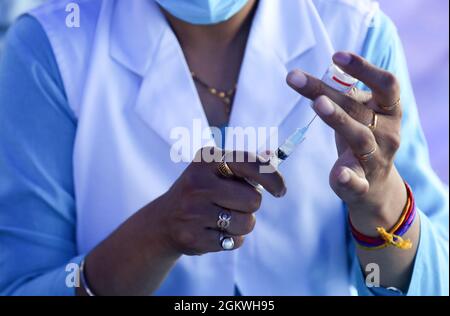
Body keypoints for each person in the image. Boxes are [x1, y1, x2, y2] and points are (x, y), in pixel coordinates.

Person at [0, 0, 448, 296]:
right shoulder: (52, 48)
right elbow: (23, 283)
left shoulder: (357, 33)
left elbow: (433, 281)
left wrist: (382, 203)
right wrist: (155, 236)